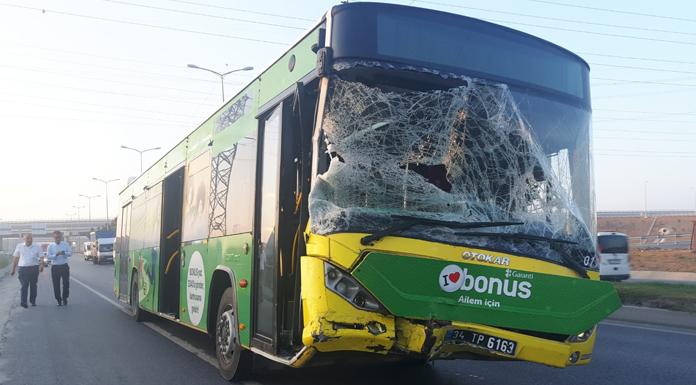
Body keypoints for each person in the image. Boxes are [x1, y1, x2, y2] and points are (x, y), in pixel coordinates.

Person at [10, 233, 44, 308]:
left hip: (34, 268)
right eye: (27, 238)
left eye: (30, 238)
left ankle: (33, 301)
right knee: (24, 285)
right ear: (24, 239)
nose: (29, 240)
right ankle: (23, 302)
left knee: (33, 286)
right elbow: (15, 258)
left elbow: (41, 257)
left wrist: (41, 265)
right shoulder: (19, 246)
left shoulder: (37, 246)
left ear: (32, 239)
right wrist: (13, 269)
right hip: (23, 269)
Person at [47, 230, 72, 306]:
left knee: (66, 283)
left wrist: (64, 253)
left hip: (64, 266)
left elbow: (70, 253)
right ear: (53, 238)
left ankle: (65, 298)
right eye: (56, 237)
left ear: (61, 237)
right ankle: (58, 300)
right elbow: (48, 256)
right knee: (56, 284)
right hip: (55, 267)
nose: (57, 238)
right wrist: (55, 255)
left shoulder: (65, 244)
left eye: (58, 237)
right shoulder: (50, 246)